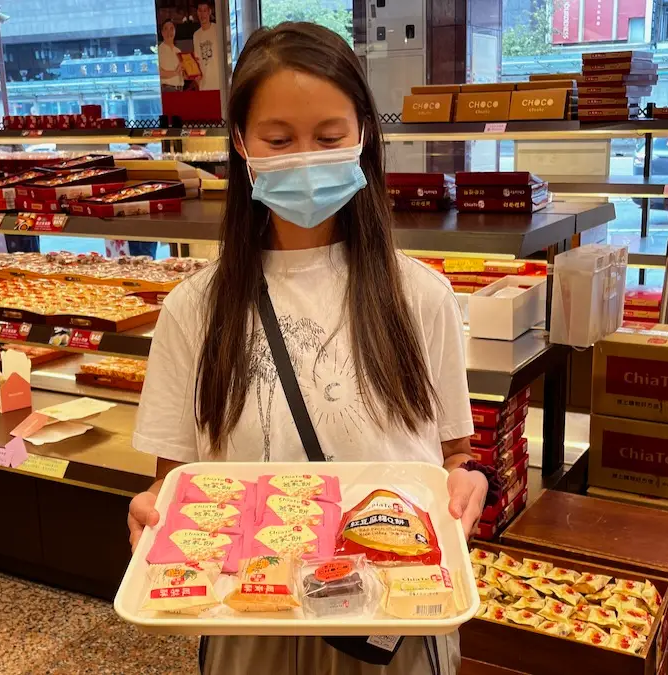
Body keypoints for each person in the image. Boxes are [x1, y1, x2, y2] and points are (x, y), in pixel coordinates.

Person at [127, 22, 489, 675]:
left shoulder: (422, 297)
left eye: (328, 138)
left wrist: (467, 483)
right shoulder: (194, 310)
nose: (304, 158)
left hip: (393, 621)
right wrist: (153, 514)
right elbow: (175, 483)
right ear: (239, 142)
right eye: (277, 139)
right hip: (248, 616)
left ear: (363, 137)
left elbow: (451, 455)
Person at [192, 2, 221, 92]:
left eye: (205, 11)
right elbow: (197, 59)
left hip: (219, 82)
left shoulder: (217, 29)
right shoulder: (196, 35)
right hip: (204, 84)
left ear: (209, 12)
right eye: (200, 11)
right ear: (197, 13)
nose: (202, 14)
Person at [158, 18, 184, 90]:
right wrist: (175, 72)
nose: (169, 32)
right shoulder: (158, 51)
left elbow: (182, 74)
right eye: (166, 29)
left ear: (175, 31)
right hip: (167, 89)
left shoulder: (178, 51)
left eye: (171, 29)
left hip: (180, 89)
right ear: (162, 32)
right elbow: (159, 73)